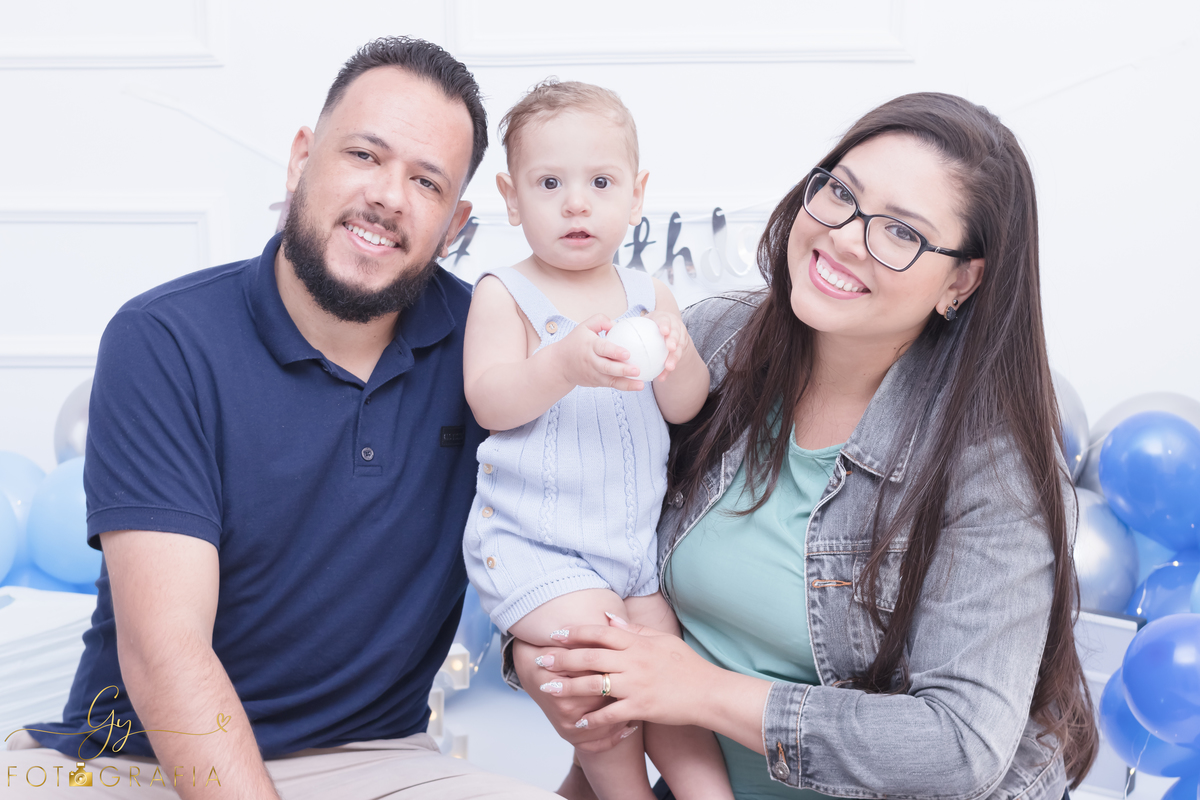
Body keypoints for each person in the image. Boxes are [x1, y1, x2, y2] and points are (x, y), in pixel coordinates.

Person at [4, 37, 558, 800]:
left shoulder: (491, 352)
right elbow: (168, 654)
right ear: (302, 159)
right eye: (364, 155)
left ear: (456, 220)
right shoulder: (166, 339)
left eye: (426, 182)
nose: (390, 196)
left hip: (381, 757)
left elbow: (584, 529)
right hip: (138, 758)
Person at [512, 92, 1099, 800]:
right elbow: (551, 504)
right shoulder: (709, 347)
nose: (847, 237)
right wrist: (551, 665)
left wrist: (699, 691)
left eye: (900, 234)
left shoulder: (992, 472)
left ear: (961, 280)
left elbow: (959, 745)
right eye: (841, 194)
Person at [462, 80, 729, 800]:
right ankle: (623, 793)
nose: (575, 203)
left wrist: (679, 357)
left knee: (663, 670)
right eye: (549, 183)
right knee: (602, 667)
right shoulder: (505, 292)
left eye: (600, 182)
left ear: (636, 195)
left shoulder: (651, 297)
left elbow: (686, 407)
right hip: (536, 542)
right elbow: (489, 400)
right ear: (511, 197)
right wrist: (561, 364)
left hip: (631, 550)